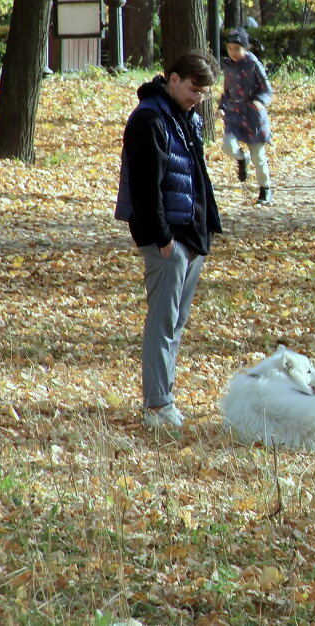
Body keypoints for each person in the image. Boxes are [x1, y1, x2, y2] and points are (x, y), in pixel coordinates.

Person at [115, 52, 223, 429]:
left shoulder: (183, 117)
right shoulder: (149, 119)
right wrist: (163, 240)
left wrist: (206, 228)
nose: (199, 98)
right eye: (195, 89)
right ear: (174, 79)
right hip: (167, 239)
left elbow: (196, 177)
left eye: (205, 93)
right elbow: (145, 188)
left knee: (175, 324)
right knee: (162, 323)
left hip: (189, 236)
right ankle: (157, 406)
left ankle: (165, 398)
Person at [219, 28, 275, 205]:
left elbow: (267, 90)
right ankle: (242, 159)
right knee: (227, 146)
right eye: (230, 48)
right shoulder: (227, 65)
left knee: (259, 157)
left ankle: (265, 190)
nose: (233, 52)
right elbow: (227, 90)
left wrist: (260, 101)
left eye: (237, 48)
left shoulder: (253, 64)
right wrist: (221, 107)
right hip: (234, 115)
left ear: (245, 48)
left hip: (253, 117)